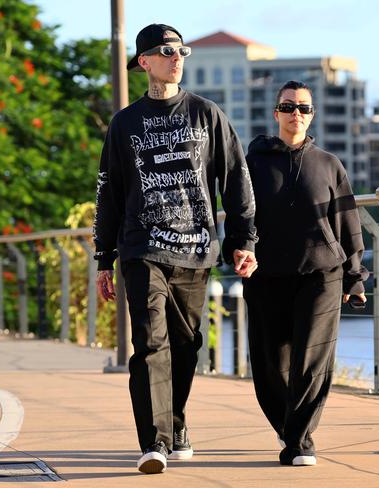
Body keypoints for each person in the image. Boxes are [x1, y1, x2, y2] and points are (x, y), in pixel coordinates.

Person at [93, 23, 258, 475]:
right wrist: (104, 258)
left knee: (186, 346)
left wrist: (243, 240)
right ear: (144, 61)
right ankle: (155, 442)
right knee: (149, 343)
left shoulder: (207, 114)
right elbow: (109, 191)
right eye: (166, 51)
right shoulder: (125, 124)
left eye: (181, 50)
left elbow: (236, 179)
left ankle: (177, 422)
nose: (176, 57)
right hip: (141, 250)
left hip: (196, 250)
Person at [243, 80, 368, 467]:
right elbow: (239, 214)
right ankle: (291, 426)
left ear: (312, 115)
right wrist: (239, 249)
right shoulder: (254, 163)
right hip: (265, 276)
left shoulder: (329, 164)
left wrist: (355, 277)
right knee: (268, 366)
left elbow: (347, 223)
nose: (296, 113)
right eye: (288, 106)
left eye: (304, 108)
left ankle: (299, 441)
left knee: (311, 360)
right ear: (276, 112)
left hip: (321, 275)